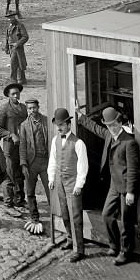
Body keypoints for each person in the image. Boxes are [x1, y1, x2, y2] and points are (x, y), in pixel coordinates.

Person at [76, 106, 140, 265]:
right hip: (114, 184)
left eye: (114, 124)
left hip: (126, 187)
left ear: (120, 122)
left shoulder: (130, 142)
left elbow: (133, 169)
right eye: (108, 125)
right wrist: (80, 116)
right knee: (107, 215)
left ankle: (126, 252)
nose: (112, 128)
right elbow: (95, 128)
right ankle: (114, 245)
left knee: (126, 221)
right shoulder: (108, 135)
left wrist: (131, 192)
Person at [48, 107, 89, 262]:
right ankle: (70, 239)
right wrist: (51, 178)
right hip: (60, 181)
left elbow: (83, 166)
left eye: (62, 125)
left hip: (73, 183)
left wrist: (79, 185)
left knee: (75, 216)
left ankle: (79, 249)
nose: (59, 128)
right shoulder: (55, 140)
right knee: (65, 212)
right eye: (57, 125)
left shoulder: (78, 143)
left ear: (69, 124)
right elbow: (53, 160)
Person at [0, 82, 28, 209]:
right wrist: (10, 134)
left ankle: (19, 199)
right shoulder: (3, 109)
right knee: (9, 174)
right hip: (9, 147)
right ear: (8, 95)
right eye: (13, 94)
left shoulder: (24, 108)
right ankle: (8, 203)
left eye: (17, 93)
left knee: (20, 173)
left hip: (22, 146)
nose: (16, 96)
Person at [19, 98, 50, 225]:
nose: (32, 110)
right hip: (31, 162)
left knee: (50, 190)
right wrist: (23, 164)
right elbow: (22, 146)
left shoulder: (46, 121)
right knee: (30, 192)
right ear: (27, 110)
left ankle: (55, 216)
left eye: (34, 108)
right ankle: (34, 217)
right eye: (30, 108)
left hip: (45, 161)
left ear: (38, 107)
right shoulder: (24, 125)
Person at [5, 14, 29, 86]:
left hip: (17, 48)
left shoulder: (20, 25)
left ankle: (13, 80)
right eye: (8, 18)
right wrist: (6, 47)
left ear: (14, 17)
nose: (10, 19)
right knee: (18, 63)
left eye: (11, 18)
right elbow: (7, 37)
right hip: (11, 47)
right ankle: (22, 79)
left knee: (13, 63)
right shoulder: (9, 26)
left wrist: (17, 44)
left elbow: (25, 36)